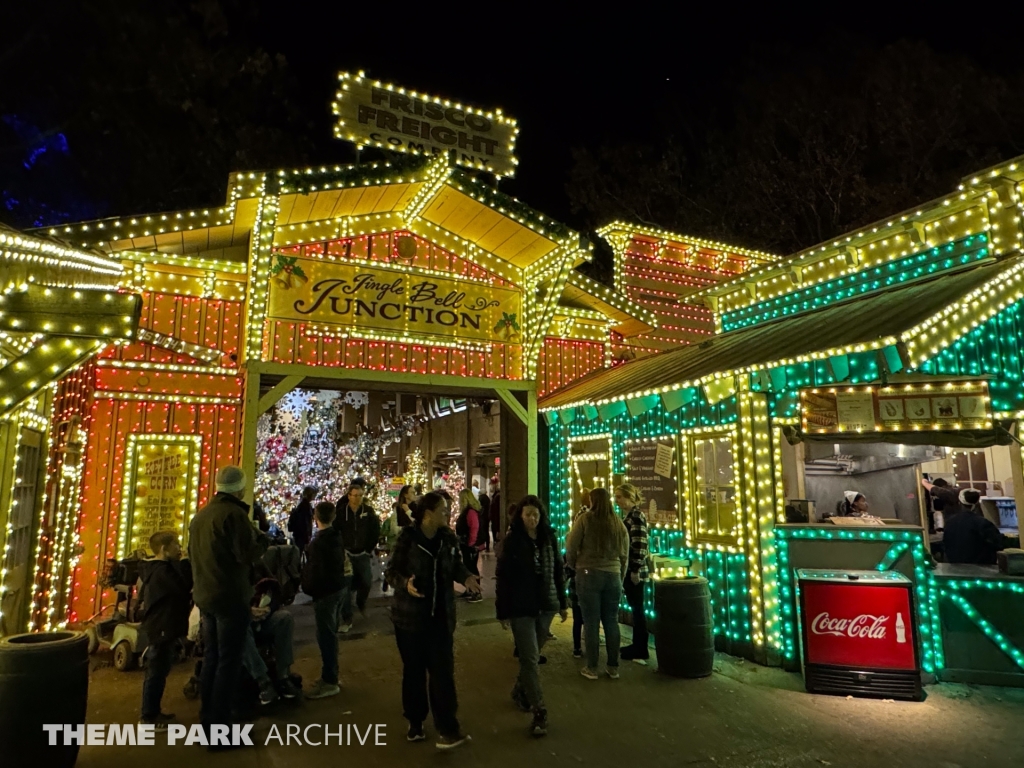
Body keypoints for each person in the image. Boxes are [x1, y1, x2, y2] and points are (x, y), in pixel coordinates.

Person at [385, 492, 480, 749]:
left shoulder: (448, 538)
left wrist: (467, 577)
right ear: (428, 513)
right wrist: (405, 583)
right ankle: (415, 721)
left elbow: (456, 566)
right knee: (414, 671)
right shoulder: (408, 538)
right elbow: (391, 571)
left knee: (442, 674)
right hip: (410, 619)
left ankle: (447, 728)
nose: (448, 514)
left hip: (440, 617)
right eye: (443, 510)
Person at [189, 466, 268, 743]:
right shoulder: (234, 516)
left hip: (206, 596)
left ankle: (207, 720)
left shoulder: (202, 516)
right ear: (240, 488)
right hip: (229, 598)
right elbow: (247, 554)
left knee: (212, 658)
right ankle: (219, 730)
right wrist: (262, 539)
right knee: (228, 662)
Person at [495, 496, 568, 737]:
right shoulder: (513, 542)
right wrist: (503, 611)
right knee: (530, 657)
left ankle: (519, 691)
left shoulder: (549, 538)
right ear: (520, 516)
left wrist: (563, 603)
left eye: (535, 514)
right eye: (528, 515)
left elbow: (559, 569)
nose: (532, 519)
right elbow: (503, 577)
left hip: (546, 604)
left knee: (532, 657)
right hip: (521, 607)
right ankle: (540, 710)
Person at [565, 487, 629, 680]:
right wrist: (621, 577)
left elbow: (571, 545)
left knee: (591, 622)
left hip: (588, 573)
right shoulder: (618, 524)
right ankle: (613, 667)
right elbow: (624, 555)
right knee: (611, 621)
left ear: (593, 501)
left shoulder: (584, 520)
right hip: (613, 576)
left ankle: (592, 667)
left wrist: (573, 566)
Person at [138, 530, 193, 730]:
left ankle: (152, 712)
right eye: (176, 545)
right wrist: (186, 563)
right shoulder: (162, 572)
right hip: (161, 626)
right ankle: (149, 716)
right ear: (164, 548)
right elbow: (183, 586)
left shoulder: (156, 570)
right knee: (156, 671)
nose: (179, 548)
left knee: (159, 670)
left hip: (161, 625)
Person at [302, 501, 351, 699]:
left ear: (316, 517)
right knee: (329, 633)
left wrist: (307, 587)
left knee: (326, 636)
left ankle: (330, 679)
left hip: (325, 593)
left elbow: (315, 573)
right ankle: (330, 676)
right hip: (337, 589)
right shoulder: (336, 537)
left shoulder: (319, 543)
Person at [241, 562, 300, 706]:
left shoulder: (258, 565)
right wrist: (248, 612)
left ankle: (283, 675)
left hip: (262, 617)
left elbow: (276, 592)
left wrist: (268, 610)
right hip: (242, 620)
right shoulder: (229, 571)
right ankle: (263, 681)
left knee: (284, 619)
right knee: (239, 630)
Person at [334, 481, 380, 631]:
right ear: (349, 496)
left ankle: (361, 601)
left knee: (366, 581)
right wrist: (341, 551)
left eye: (360, 495)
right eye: (355, 495)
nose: (358, 498)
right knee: (345, 587)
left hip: (362, 554)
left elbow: (375, 530)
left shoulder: (368, 511)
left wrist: (368, 549)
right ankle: (346, 618)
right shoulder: (341, 513)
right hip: (346, 554)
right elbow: (336, 532)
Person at [925, 483, 1004, 564]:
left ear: (960, 503)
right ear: (976, 504)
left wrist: (924, 483)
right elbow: (998, 543)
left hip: (954, 567)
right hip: (979, 569)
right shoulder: (982, 523)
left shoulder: (950, 522)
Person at [616, 483, 651, 664]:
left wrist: (635, 569)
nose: (617, 501)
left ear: (629, 497)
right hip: (631, 569)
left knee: (638, 609)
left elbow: (639, 544)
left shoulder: (636, 517)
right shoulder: (631, 516)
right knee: (636, 608)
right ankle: (637, 645)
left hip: (634, 571)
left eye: (620, 497)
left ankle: (641, 647)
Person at [454, 488, 484, 603]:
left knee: (471, 568)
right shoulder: (468, 511)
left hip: (470, 545)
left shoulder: (470, 512)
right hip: (467, 544)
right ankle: (470, 590)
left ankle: (476, 592)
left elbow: (474, 528)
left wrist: (471, 543)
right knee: (468, 566)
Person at [288, 486, 316, 556]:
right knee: (300, 555)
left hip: (299, 535)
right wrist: (307, 539)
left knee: (299, 554)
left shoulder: (303, 504)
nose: (315, 496)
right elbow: (305, 524)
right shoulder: (305, 506)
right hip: (302, 537)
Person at [478, 486, 491, 552]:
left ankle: (482, 545)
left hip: (482, 517)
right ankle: (487, 546)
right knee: (486, 531)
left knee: (482, 531)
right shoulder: (488, 498)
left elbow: (479, 507)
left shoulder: (481, 498)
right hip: (487, 517)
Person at [489, 482, 501, 549]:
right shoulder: (496, 496)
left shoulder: (497, 497)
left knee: (495, 532)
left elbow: (495, 509)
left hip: (496, 519)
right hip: (495, 518)